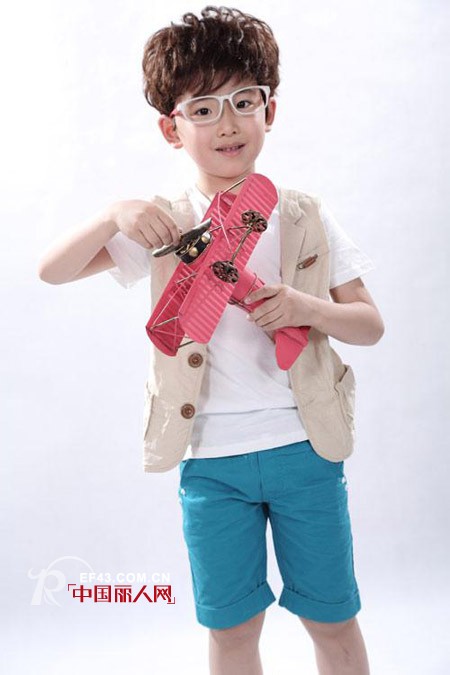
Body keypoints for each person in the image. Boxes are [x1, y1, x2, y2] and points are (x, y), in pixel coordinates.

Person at [38, 6, 384, 674]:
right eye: (203, 108)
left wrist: (303, 307)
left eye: (243, 102)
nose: (228, 123)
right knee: (231, 630)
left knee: (333, 618)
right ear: (171, 128)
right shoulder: (163, 224)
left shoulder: (303, 215)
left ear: (269, 111)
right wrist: (112, 214)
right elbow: (50, 271)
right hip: (210, 461)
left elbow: (369, 324)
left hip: (306, 448)